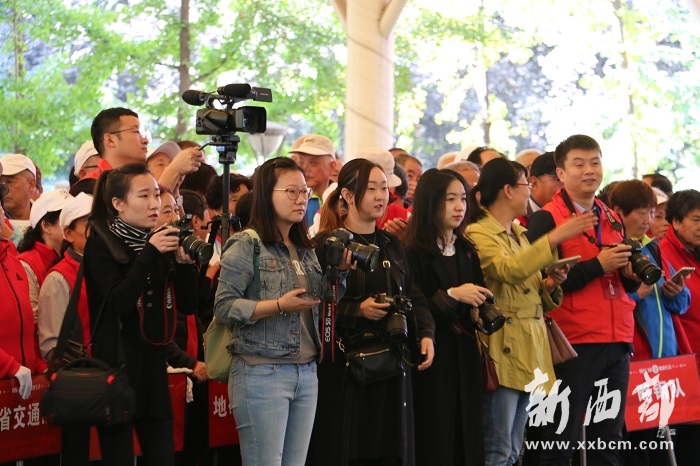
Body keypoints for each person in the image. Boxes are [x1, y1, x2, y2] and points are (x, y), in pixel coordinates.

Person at [214, 157, 351, 466]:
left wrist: (339, 274)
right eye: (292, 191)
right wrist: (278, 306)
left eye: (305, 192)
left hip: (307, 371)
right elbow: (223, 307)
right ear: (266, 194)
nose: (301, 199)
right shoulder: (246, 244)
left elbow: (324, 302)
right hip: (262, 371)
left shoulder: (304, 247)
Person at [465, 157, 596, 466]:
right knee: (497, 451)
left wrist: (550, 283)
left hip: (529, 345)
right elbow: (508, 270)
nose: (530, 191)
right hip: (503, 346)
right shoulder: (478, 232)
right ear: (508, 190)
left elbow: (533, 289)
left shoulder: (518, 233)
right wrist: (555, 237)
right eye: (526, 184)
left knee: (514, 450)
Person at [308, 157, 435, 466]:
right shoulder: (326, 245)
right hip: (347, 368)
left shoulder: (391, 243)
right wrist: (356, 309)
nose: (381, 197)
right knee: (349, 447)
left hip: (392, 363)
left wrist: (426, 334)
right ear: (348, 195)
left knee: (391, 448)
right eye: (372, 189)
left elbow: (413, 294)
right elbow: (313, 303)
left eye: (384, 189)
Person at [525, 134, 640, 466]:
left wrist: (630, 275)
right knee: (559, 441)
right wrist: (597, 266)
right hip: (572, 343)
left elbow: (623, 283)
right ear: (561, 173)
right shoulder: (548, 219)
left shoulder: (611, 217)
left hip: (617, 339)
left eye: (595, 162)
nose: (589, 170)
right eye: (579, 164)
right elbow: (539, 281)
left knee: (608, 442)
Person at [84, 163, 199, 466]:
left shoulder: (158, 242)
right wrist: (150, 252)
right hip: (116, 367)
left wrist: (184, 266)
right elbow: (120, 301)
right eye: (144, 196)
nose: (154, 204)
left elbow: (188, 306)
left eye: (156, 195)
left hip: (153, 365)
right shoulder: (101, 243)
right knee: (119, 459)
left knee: (163, 457)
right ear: (118, 204)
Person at [403, 168, 490, 465]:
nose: (459, 207)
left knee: (469, 432)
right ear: (430, 202)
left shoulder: (467, 249)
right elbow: (413, 308)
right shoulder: (412, 252)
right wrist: (453, 295)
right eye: (449, 199)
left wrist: (480, 314)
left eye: (463, 198)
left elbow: (479, 295)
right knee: (437, 434)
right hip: (432, 355)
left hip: (465, 353)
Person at [607, 180, 690, 466]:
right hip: (635, 360)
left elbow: (681, 305)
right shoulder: (614, 250)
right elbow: (611, 304)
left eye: (652, 213)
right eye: (641, 212)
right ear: (618, 211)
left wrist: (676, 292)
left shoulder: (653, 249)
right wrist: (637, 294)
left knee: (665, 444)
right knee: (636, 446)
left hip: (665, 359)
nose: (648, 219)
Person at [37, 192, 93, 466]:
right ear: (68, 233)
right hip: (79, 391)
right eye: (90, 226)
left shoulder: (108, 270)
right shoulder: (58, 278)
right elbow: (51, 347)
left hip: (108, 385)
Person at [658, 189, 700, 466]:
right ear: (675, 222)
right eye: (696, 220)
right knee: (686, 443)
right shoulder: (662, 252)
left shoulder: (695, 252)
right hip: (683, 360)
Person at [0, 158, 46, 403]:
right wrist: (9, 366)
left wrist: (37, 364)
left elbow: (27, 326)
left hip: (21, 389)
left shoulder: (14, 261)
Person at [18, 189, 73, 322]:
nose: (73, 223)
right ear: (46, 225)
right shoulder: (25, 265)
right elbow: (33, 319)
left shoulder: (72, 255)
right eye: (66, 218)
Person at [289, 134, 337, 225]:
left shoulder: (342, 200)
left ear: (332, 167)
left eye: (313, 163)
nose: (304, 168)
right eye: (301, 162)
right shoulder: (294, 199)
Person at [515, 152, 563, 227]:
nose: (566, 187)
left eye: (569, 180)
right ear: (535, 183)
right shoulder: (517, 220)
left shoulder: (573, 214)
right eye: (558, 180)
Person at [0, 153, 37, 245]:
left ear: (31, 184)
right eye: (0, 182)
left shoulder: (46, 221)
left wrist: (10, 235)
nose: (3, 188)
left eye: (10, 181)